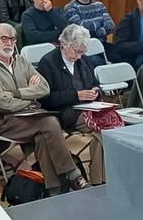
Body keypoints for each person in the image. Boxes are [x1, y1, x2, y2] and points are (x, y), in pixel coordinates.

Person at [0, 23, 90, 192]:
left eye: (12, 39)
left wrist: (16, 93)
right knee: (50, 123)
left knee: (43, 136)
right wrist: (31, 98)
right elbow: (0, 102)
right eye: (4, 38)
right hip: (6, 121)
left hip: (32, 116)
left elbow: (44, 88)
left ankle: (53, 189)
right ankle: (73, 174)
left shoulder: (21, 61)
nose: (9, 43)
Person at [35, 25, 107, 185]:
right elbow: (45, 99)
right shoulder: (48, 63)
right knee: (103, 127)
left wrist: (96, 90)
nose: (80, 56)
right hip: (64, 113)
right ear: (65, 44)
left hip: (88, 107)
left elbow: (95, 83)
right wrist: (76, 95)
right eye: (77, 51)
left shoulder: (84, 60)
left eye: (83, 51)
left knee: (108, 129)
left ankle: (100, 179)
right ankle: (98, 181)